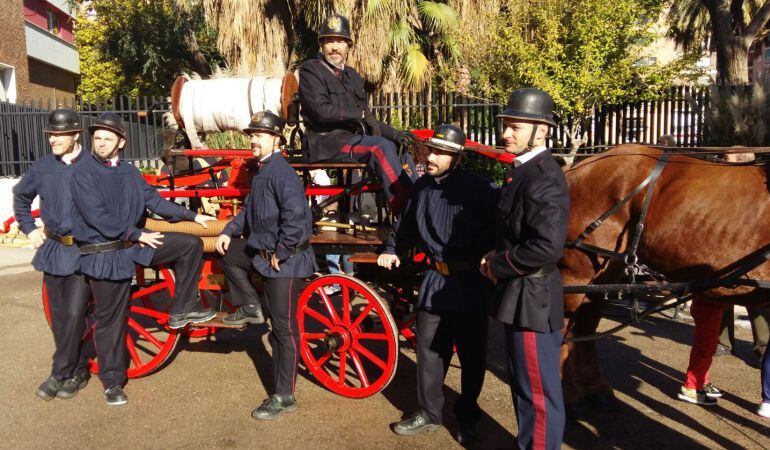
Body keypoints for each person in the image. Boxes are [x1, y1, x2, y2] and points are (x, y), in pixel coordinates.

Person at [70, 112, 217, 406]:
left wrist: (193, 215)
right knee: (111, 320)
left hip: (134, 245)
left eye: (106, 139)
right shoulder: (82, 172)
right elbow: (96, 216)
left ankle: (182, 308)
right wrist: (135, 234)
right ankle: (112, 383)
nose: (99, 144)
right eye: (97, 138)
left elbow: (157, 203)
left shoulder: (129, 173)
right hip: (107, 252)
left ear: (121, 142)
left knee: (188, 244)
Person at [378, 124, 498, 444]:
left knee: (472, 355)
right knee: (429, 351)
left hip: (470, 282)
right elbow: (404, 227)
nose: (431, 156)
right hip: (434, 281)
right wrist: (391, 250)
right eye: (430, 150)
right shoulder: (422, 188)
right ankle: (429, 412)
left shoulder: (480, 189)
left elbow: (498, 231)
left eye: (440, 152)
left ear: (456, 158)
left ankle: (467, 413)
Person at [479, 88, 568, 450]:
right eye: (506, 126)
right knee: (524, 390)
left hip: (532, 299)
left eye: (515, 126)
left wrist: (498, 263)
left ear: (541, 130)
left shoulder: (544, 175)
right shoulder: (525, 170)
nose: (506, 134)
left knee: (538, 397)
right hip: (521, 295)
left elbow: (547, 246)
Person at [215, 111, 317, 420]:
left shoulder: (283, 174)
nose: (253, 140)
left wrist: (282, 251)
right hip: (263, 252)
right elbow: (248, 211)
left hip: (286, 262)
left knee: (283, 329)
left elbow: (298, 220)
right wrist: (227, 231)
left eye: (259, 135)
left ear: (276, 140)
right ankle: (250, 306)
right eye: (252, 135)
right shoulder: (262, 171)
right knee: (228, 254)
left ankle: (284, 395)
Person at [298, 13, 418, 216]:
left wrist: (395, 133)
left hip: (353, 139)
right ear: (322, 44)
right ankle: (405, 213)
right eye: (329, 41)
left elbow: (368, 119)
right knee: (380, 147)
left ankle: (417, 201)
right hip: (326, 142)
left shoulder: (352, 76)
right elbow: (320, 110)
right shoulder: (311, 70)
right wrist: (359, 115)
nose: (335, 47)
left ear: (348, 46)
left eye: (340, 41)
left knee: (400, 147)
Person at [13, 108, 93, 401]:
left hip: (85, 253)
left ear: (75, 135)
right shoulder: (43, 166)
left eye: (59, 135)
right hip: (54, 250)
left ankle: (59, 373)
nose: (53, 140)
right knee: (59, 318)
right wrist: (28, 227)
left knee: (74, 315)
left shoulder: (95, 164)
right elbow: (21, 196)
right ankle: (78, 371)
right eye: (51, 136)